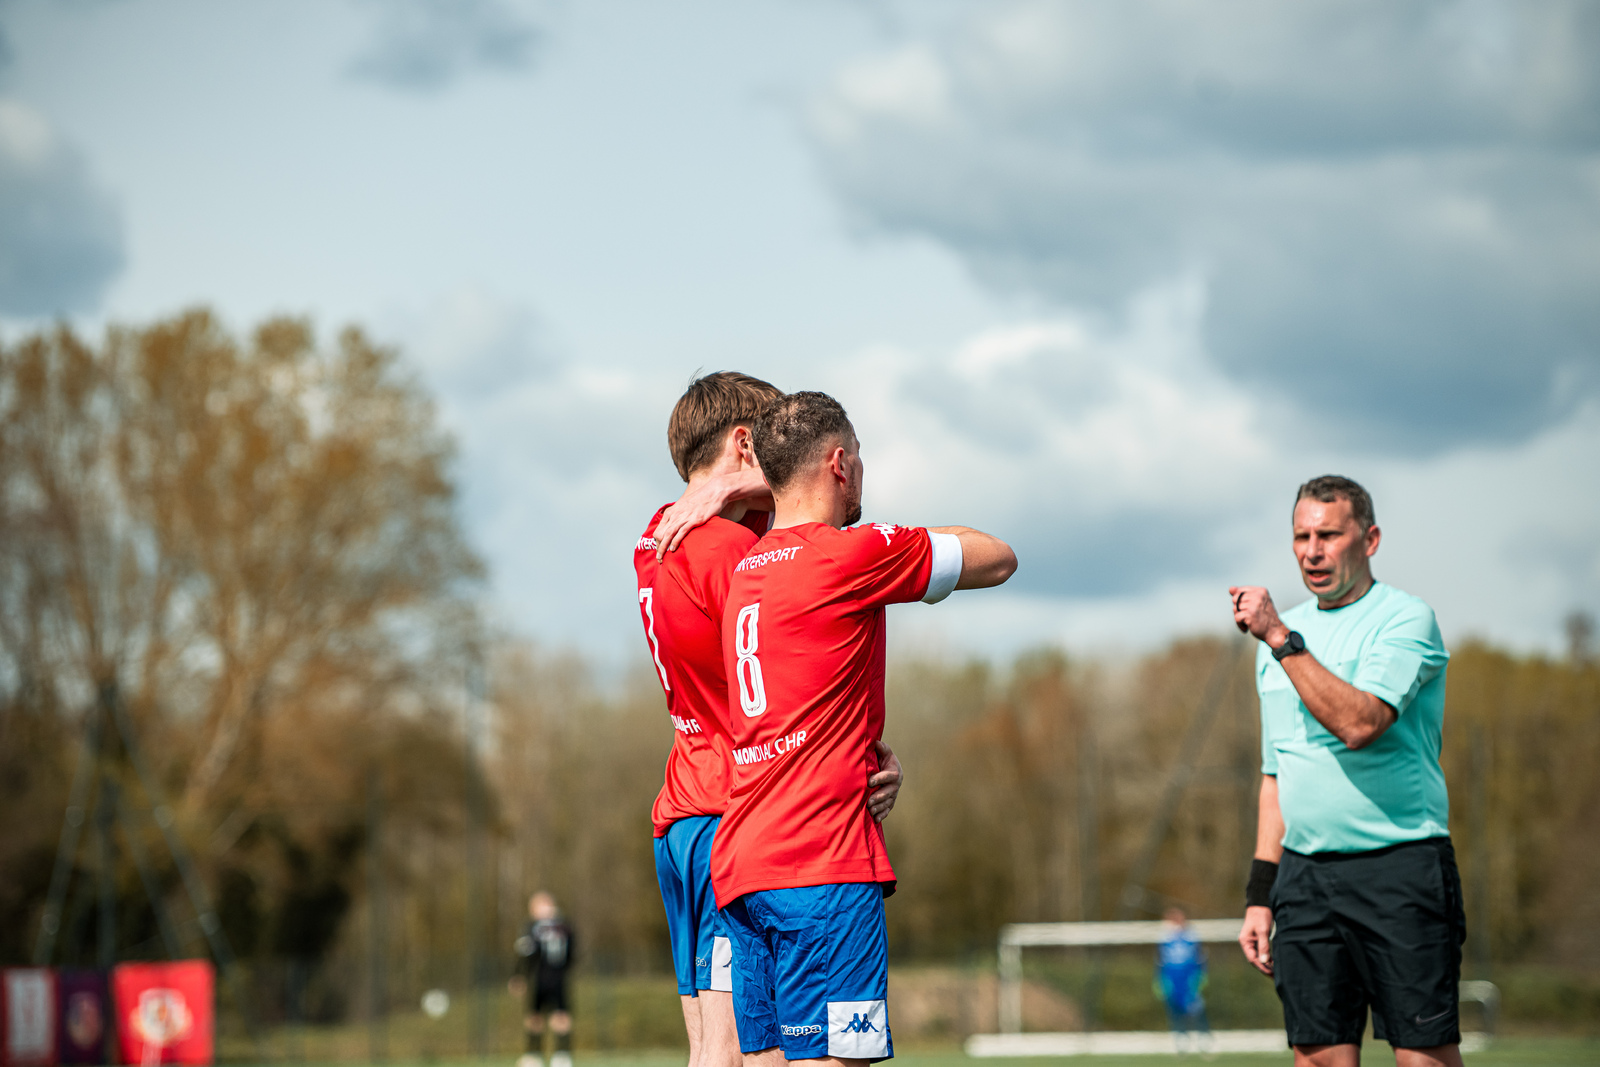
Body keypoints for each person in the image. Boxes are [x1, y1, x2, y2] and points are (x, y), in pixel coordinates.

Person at [712, 391, 1017, 1067]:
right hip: (819, 863)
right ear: (840, 463)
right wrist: (891, 537)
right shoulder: (848, 554)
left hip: (744, 866)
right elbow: (998, 557)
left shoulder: (745, 573)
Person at [635, 374, 905, 1067]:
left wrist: (724, 488)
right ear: (744, 444)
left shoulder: (657, 535)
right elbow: (789, 669)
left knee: (708, 1049)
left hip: (681, 812)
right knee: (735, 1055)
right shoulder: (734, 555)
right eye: (770, 453)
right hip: (734, 808)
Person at [1231, 476, 1461, 1067]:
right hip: (1304, 879)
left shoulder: (1406, 619)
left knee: (1422, 1057)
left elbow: (1360, 723)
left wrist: (1280, 637)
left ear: (1370, 539)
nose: (1312, 551)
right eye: (1301, 537)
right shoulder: (1275, 645)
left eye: (1329, 535)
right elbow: (1275, 775)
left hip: (1399, 867)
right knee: (1317, 1056)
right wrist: (1260, 895)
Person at [510, 891, 575, 1067]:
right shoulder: (564, 925)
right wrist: (520, 976)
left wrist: (519, 974)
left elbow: (526, 954)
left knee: (558, 1017)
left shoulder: (536, 927)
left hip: (549, 977)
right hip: (544, 978)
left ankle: (559, 1055)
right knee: (536, 1017)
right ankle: (537, 1055)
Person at [1154, 906, 1211, 1055]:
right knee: (1175, 1010)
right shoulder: (1164, 938)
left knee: (1196, 1009)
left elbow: (1200, 958)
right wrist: (1160, 979)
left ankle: (1204, 1037)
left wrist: (1200, 976)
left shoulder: (1191, 936)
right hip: (1172, 979)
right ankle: (1181, 1038)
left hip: (1189, 979)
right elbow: (1159, 961)